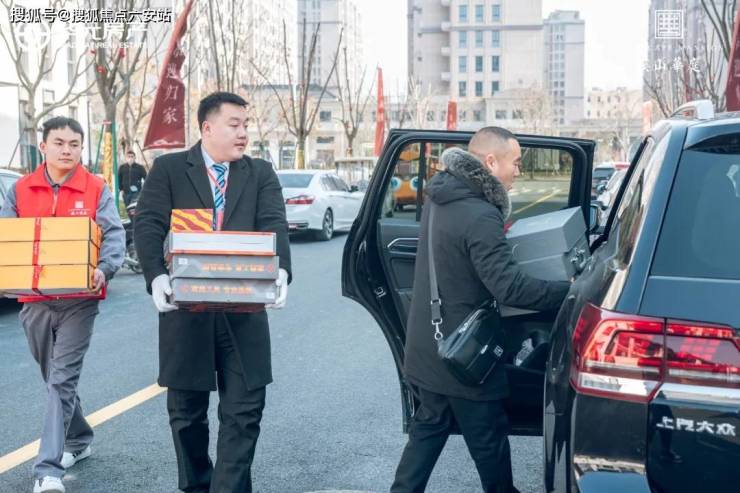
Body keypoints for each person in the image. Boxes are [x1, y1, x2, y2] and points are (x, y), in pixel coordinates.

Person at [391, 127, 571, 493]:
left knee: (428, 429)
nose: (518, 171)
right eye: (515, 163)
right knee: (489, 441)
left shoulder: (440, 197)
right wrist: (571, 291)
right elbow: (510, 288)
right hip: (465, 357)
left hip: (428, 346)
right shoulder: (480, 214)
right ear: (491, 162)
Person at [134, 91, 292, 493]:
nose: (243, 134)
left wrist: (281, 272)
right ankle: (197, 486)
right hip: (187, 312)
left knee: (245, 412)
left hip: (244, 312)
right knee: (186, 415)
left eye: (245, 125)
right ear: (207, 128)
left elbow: (274, 223)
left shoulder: (260, 173)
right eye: (234, 125)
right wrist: (156, 276)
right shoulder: (169, 169)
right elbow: (149, 224)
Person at [0, 117, 125, 493]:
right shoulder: (20, 189)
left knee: (61, 379)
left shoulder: (96, 188)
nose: (66, 150)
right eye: (59, 142)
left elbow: (113, 233)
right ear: (43, 146)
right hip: (34, 300)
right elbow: (7, 237)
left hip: (79, 301)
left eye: (74, 144)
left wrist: (105, 267)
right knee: (52, 376)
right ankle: (79, 438)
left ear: (81, 148)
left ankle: (47, 470)